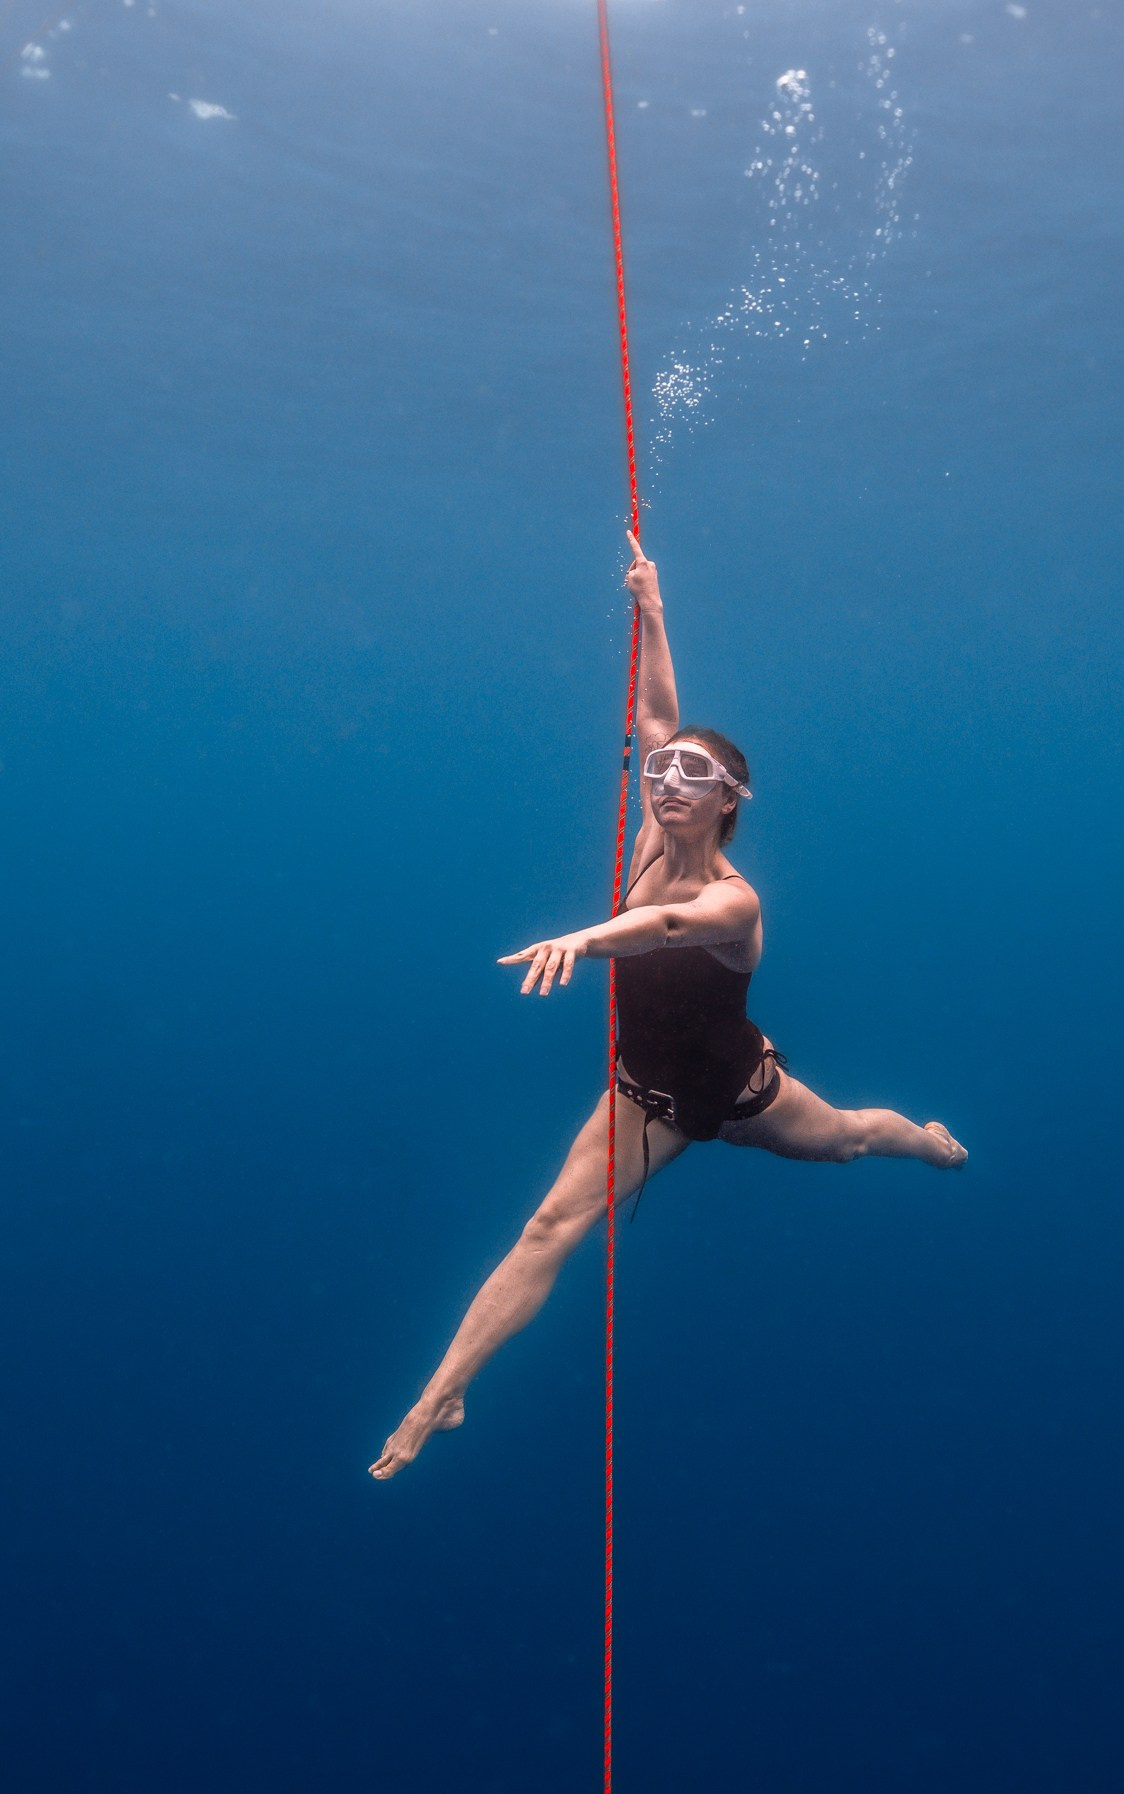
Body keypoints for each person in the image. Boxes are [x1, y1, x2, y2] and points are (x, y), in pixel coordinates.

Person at [370, 531, 965, 1482]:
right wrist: (652, 606)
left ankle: (927, 1141)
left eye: (693, 779)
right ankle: (442, 1392)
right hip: (642, 1095)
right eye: (661, 776)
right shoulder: (653, 828)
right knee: (546, 1228)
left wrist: (582, 937)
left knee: (851, 1137)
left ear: (731, 802)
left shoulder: (736, 901)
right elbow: (657, 714)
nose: (668, 784)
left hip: (739, 1092)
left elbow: (660, 932)